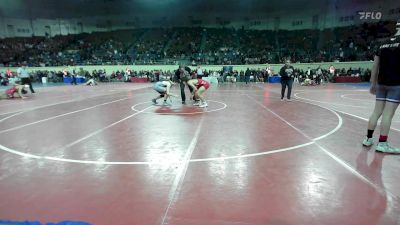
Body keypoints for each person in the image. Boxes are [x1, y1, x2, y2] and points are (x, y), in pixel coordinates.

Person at [362, 21, 400, 153]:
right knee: (388, 114)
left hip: (381, 83)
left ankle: (368, 138)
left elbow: (375, 65)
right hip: (396, 84)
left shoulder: (382, 43)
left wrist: (373, 83)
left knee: (376, 111)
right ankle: (382, 143)